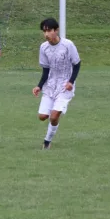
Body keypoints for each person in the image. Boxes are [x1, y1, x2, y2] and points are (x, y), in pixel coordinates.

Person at [32, 18, 81, 150]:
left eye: (49, 30)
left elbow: (77, 64)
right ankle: (48, 137)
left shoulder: (68, 45)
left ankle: (47, 142)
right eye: (44, 31)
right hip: (50, 85)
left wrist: (71, 81)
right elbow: (46, 69)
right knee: (42, 117)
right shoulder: (43, 48)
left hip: (65, 86)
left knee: (54, 117)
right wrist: (39, 86)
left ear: (56, 30)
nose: (46, 34)